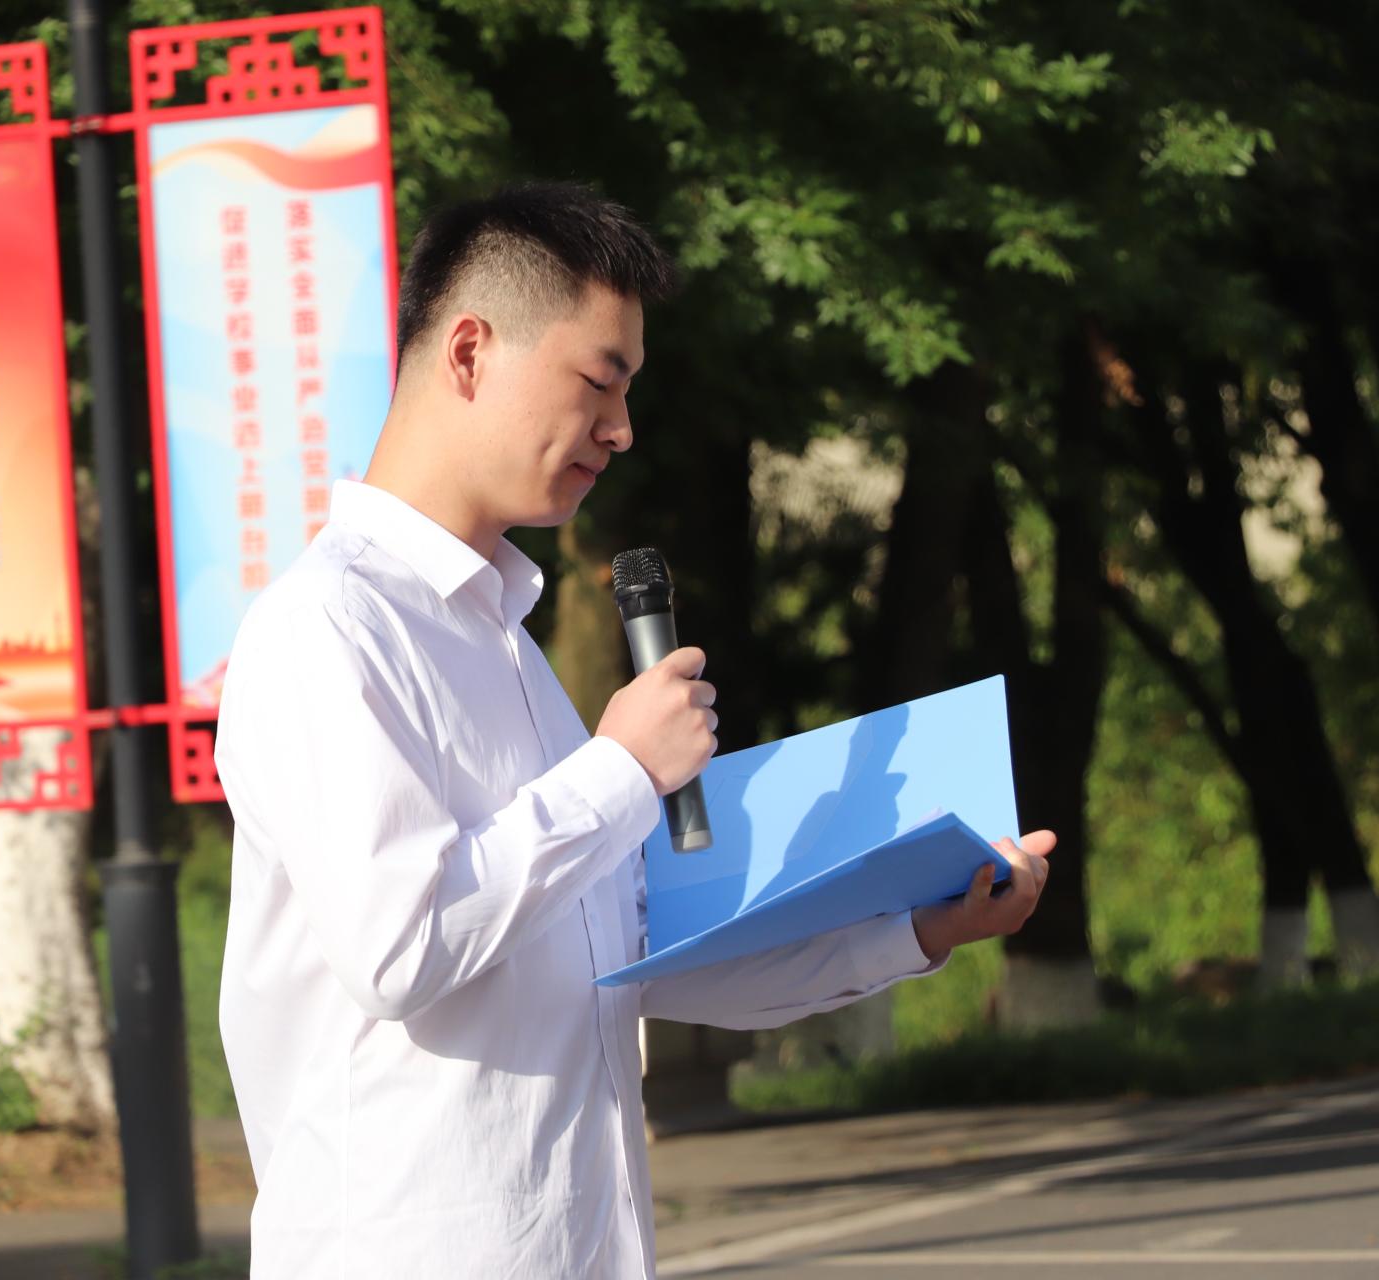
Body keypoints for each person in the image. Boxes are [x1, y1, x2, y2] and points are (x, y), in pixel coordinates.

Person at [214, 182, 1055, 1278]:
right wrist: (616, 770)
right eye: (598, 381)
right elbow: (400, 945)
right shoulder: (327, 627)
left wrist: (922, 929)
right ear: (469, 351)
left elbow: (638, 957)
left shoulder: (508, 651)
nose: (620, 429)